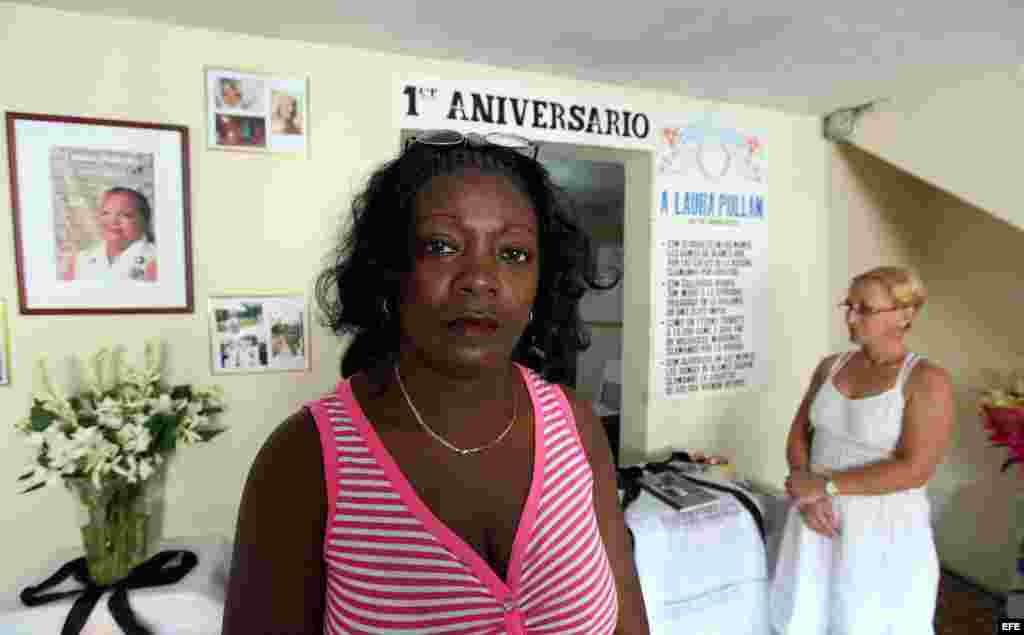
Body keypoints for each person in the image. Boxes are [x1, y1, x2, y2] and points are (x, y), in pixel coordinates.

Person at [222, 130, 651, 634]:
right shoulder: (302, 459)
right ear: (391, 270)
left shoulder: (576, 427)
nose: (480, 279)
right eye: (442, 246)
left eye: (514, 254)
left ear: (541, 282)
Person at [769, 266, 955, 634]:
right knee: (807, 614)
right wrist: (807, 492)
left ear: (905, 315)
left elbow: (916, 468)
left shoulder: (927, 380)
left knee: (867, 620)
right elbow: (800, 434)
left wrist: (825, 486)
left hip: (882, 526)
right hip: (815, 515)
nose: (851, 318)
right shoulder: (831, 366)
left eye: (864, 309)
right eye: (848, 306)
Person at [60, 187, 157, 282]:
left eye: (125, 215)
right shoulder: (79, 261)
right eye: (105, 213)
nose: (113, 221)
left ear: (144, 221)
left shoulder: (154, 260)